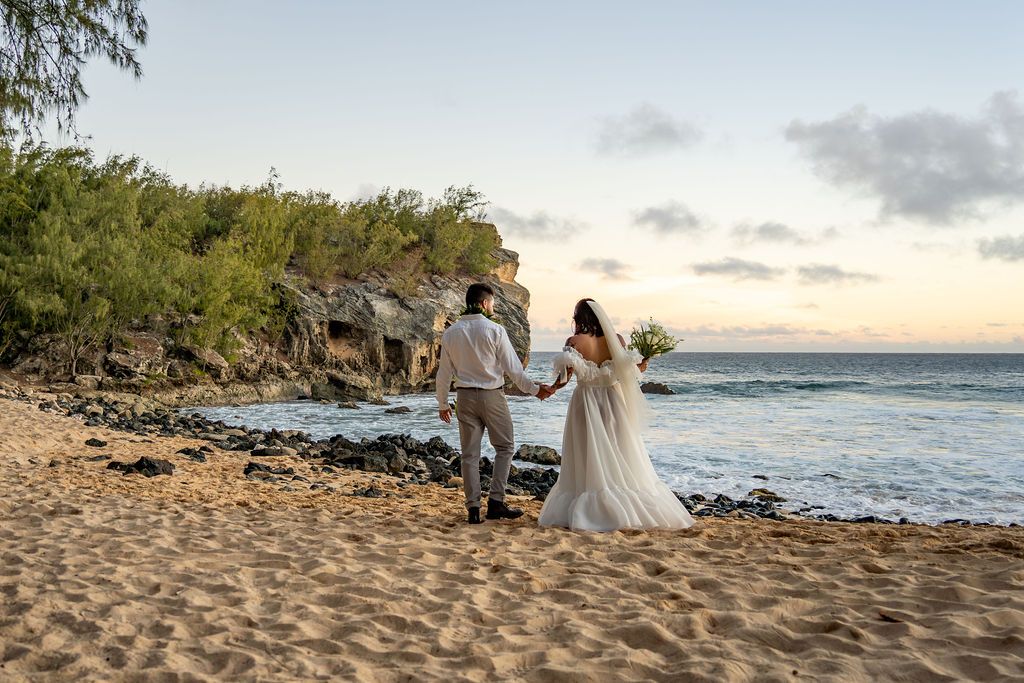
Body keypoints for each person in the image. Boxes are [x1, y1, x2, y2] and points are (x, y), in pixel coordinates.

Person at [538, 298, 695, 532]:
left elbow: (564, 379)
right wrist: (643, 364)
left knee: (588, 451)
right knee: (618, 449)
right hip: (613, 401)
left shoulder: (574, 342)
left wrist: (550, 389)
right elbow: (627, 373)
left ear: (579, 318)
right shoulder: (617, 340)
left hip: (586, 402)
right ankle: (627, 506)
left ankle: (591, 506)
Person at [437, 283, 554, 524]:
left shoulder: (450, 333)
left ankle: (472, 509)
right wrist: (535, 390)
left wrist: (442, 404)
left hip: (464, 398)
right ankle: (496, 503)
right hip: (491, 396)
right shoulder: (495, 330)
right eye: (492, 303)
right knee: (505, 447)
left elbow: (444, 373)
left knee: (469, 455)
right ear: (483, 303)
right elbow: (514, 369)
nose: (493, 308)